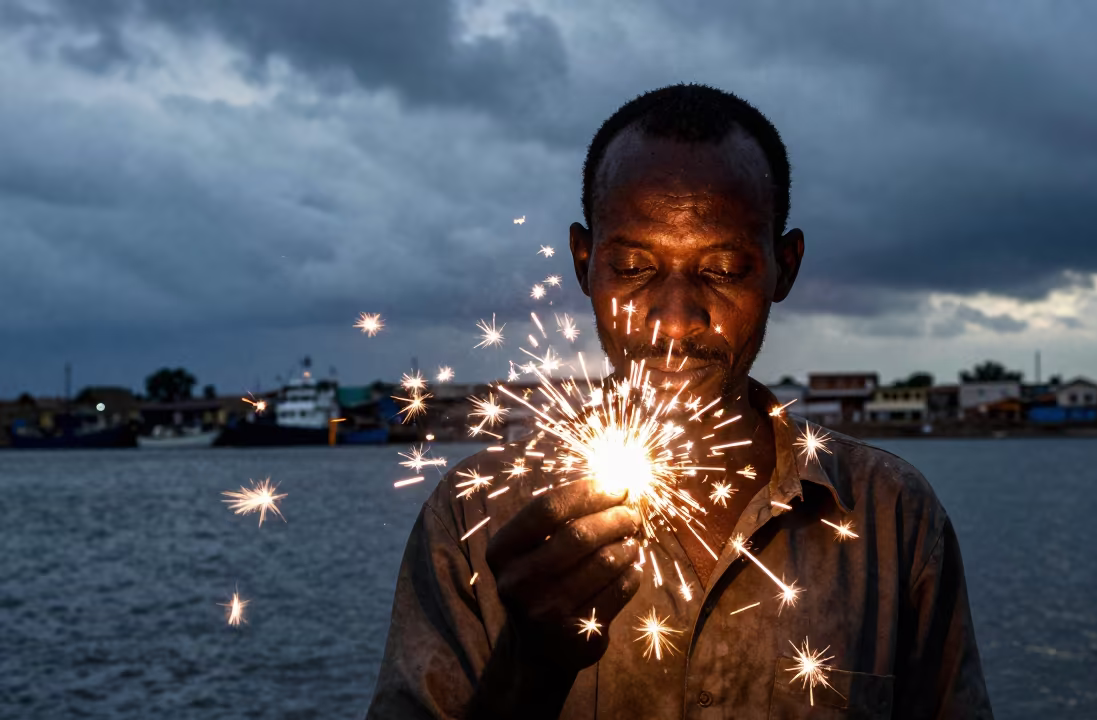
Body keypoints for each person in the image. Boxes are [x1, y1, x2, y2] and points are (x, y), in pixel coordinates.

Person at [367, 83, 992, 719]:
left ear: (785, 265)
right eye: (634, 267)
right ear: (584, 263)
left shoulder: (892, 516)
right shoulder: (476, 517)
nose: (674, 321)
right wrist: (530, 665)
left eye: (723, 269)